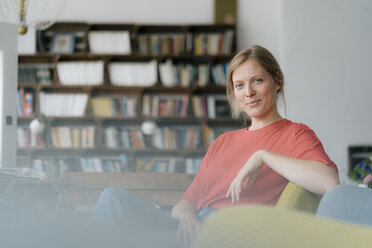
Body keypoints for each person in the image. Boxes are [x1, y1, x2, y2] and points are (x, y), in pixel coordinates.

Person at [91, 45, 339, 248]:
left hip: (226, 235)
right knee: (113, 199)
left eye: (257, 81)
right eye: (240, 85)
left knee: (121, 240)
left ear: (277, 81)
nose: (249, 92)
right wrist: (187, 216)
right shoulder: (222, 142)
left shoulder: (294, 134)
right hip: (193, 227)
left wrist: (262, 156)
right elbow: (187, 202)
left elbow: (328, 182)